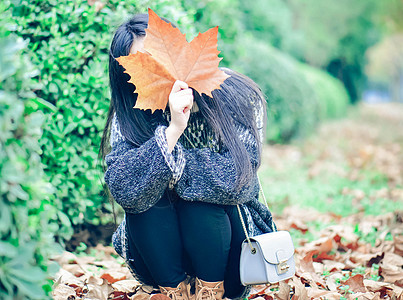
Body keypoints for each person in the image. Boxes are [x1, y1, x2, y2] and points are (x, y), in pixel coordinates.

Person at [99, 13, 276, 300]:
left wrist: (176, 169)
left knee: (201, 199)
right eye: (141, 66)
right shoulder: (130, 114)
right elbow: (124, 190)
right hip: (159, 261)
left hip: (234, 256)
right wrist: (172, 131)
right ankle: (175, 294)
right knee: (142, 194)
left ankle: (210, 293)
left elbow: (238, 180)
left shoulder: (236, 95)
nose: (157, 72)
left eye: (158, 58)